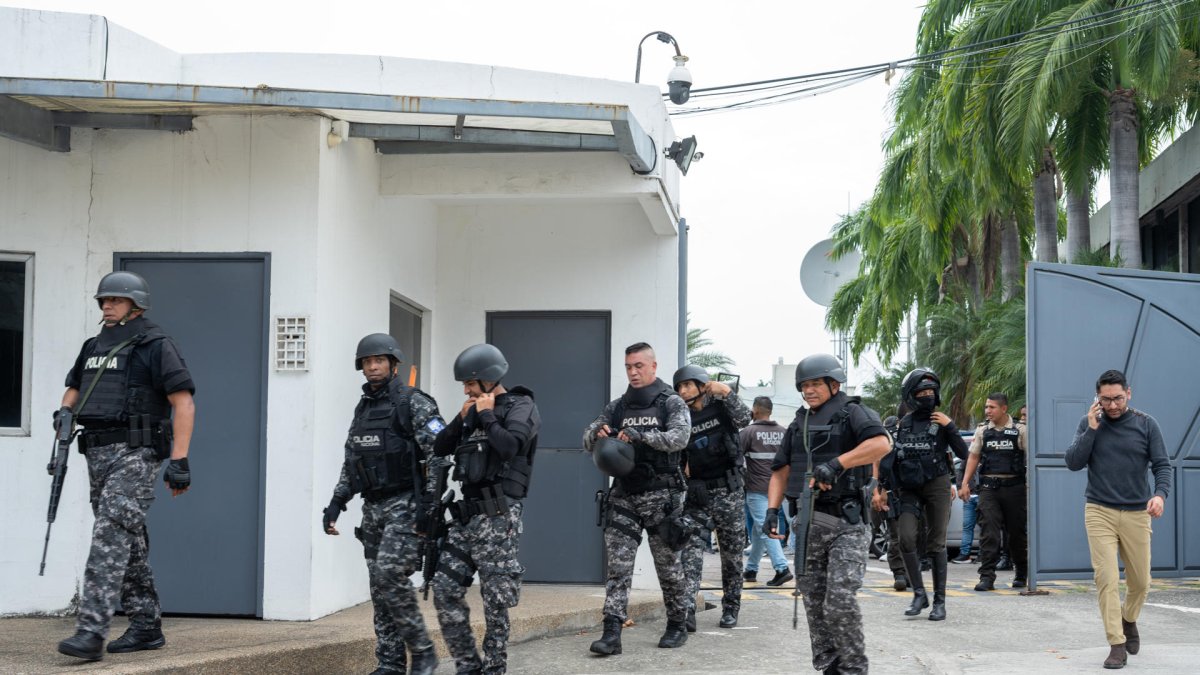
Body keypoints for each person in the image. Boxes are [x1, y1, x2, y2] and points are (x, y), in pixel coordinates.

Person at [55, 272, 196, 662]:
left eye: (115, 300)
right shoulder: (93, 345)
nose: (107, 306)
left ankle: (90, 630)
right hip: (96, 453)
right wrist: (64, 413)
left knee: (109, 532)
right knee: (126, 536)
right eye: (103, 300)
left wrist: (180, 460)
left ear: (136, 305)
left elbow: (182, 402)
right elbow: (75, 387)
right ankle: (146, 624)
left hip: (136, 453)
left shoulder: (155, 344)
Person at [321, 334, 445, 675]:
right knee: (380, 586)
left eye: (379, 360)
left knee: (391, 574)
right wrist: (336, 502)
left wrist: (429, 508)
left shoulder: (415, 403)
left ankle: (423, 652)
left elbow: (439, 454)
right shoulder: (363, 408)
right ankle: (389, 662)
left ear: (394, 363)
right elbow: (352, 460)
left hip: (406, 503)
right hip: (372, 507)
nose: (372, 366)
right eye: (366, 361)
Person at [764, 354, 890, 675]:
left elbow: (881, 443)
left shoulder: (853, 413)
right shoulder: (799, 423)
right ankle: (830, 665)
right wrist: (772, 510)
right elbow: (781, 470)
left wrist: (838, 464)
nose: (809, 390)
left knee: (840, 601)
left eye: (816, 383)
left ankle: (854, 668)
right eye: (804, 385)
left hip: (846, 522)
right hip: (807, 522)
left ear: (834, 384)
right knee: (813, 601)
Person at [431, 344, 540, 675]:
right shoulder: (471, 410)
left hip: (499, 516)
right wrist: (461, 419)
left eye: (470, 383)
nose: (465, 389)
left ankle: (495, 667)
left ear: (489, 379)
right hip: (466, 517)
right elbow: (440, 446)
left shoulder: (522, 406)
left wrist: (488, 415)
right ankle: (468, 665)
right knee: (444, 587)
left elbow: (509, 447)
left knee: (495, 602)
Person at [584, 342, 691, 655]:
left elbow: (679, 438)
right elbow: (587, 435)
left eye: (639, 366)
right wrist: (598, 433)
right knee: (618, 567)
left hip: (662, 496)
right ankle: (611, 633)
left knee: (668, 566)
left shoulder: (670, 402)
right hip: (625, 494)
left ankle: (677, 623)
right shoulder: (617, 406)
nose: (633, 372)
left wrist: (642, 436)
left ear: (653, 366)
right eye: (628, 366)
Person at [1066, 370, 1171, 670]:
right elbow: (1073, 462)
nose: (1112, 405)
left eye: (1117, 398)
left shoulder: (1146, 424)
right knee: (1107, 579)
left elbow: (1162, 465)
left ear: (1129, 393)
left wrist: (1160, 495)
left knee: (1141, 581)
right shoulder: (1090, 424)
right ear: (1096, 397)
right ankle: (1116, 643)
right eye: (1105, 399)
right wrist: (1091, 429)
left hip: (1138, 512)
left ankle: (1129, 619)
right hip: (1099, 511)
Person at [876, 368, 966, 622]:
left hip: (936, 484)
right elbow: (889, 459)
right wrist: (882, 488)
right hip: (909, 488)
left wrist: (951, 427)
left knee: (936, 543)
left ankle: (939, 602)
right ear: (911, 396)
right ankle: (919, 594)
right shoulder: (903, 424)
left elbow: (963, 453)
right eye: (921, 392)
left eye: (931, 391)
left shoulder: (942, 422)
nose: (927, 395)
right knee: (905, 538)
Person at [673, 365, 752, 630]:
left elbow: (745, 419)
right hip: (698, 493)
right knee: (691, 553)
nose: (683, 391)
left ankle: (731, 607)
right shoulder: (680, 416)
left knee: (731, 555)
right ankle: (688, 610)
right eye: (680, 387)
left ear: (701, 385)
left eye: (687, 385)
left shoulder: (721, 407)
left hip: (729, 492)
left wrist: (727, 392)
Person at [958, 393, 1028, 592]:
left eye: (992, 407)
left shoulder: (1020, 430)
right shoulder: (983, 431)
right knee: (989, 532)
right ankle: (986, 576)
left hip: (1015, 488)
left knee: (1017, 534)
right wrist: (965, 483)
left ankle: (1021, 573)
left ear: (1003, 409)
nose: (988, 411)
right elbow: (973, 457)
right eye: (987, 407)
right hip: (989, 488)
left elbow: (1030, 459)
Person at [740, 396, 793, 587]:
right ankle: (752, 568)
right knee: (758, 529)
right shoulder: (784, 432)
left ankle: (782, 568)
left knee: (765, 530)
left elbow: (735, 457)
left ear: (754, 409)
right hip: (779, 490)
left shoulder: (748, 432)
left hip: (757, 489)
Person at [951, 449, 980, 564]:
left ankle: (984, 554)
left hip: (986, 494)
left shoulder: (990, 451)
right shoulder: (970, 454)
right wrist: (959, 488)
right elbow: (960, 471)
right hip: (970, 495)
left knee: (987, 527)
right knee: (967, 526)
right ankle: (964, 554)